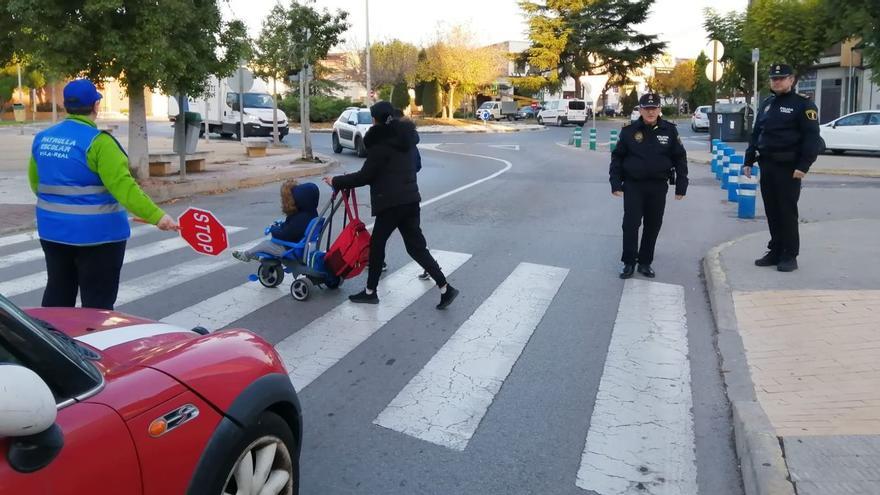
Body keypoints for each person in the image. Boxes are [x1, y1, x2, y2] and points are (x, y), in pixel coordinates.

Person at [28, 79, 179, 310]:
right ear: (96, 105)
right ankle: (91, 344)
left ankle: (48, 342)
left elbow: (36, 184)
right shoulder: (100, 143)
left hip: (52, 233)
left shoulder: (43, 139)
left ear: (66, 105)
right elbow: (125, 189)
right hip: (98, 237)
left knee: (58, 293)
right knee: (97, 304)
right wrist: (158, 217)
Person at [323, 101, 458, 309]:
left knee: (377, 246)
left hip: (391, 203)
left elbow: (365, 176)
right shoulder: (407, 141)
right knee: (416, 248)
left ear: (375, 119)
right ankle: (445, 288)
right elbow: (416, 166)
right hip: (411, 200)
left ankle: (370, 292)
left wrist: (336, 181)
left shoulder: (380, 145)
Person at [743, 63, 820, 272]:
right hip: (767, 165)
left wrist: (804, 166)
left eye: (781, 78)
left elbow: (812, 139)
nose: (777, 81)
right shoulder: (767, 103)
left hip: (789, 167)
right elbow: (757, 133)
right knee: (772, 211)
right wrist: (748, 160)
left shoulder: (803, 105)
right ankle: (775, 249)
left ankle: (789, 254)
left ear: (791, 80)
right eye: (774, 79)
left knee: (787, 211)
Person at [609, 93, 688, 279]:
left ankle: (645, 262)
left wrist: (682, 185)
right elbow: (617, 157)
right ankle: (629, 262)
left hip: (658, 186)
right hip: (633, 185)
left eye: (654, 108)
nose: (651, 112)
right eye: (647, 108)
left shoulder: (669, 130)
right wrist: (615, 182)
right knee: (631, 224)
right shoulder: (629, 131)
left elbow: (680, 158)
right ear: (640, 110)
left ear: (659, 109)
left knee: (653, 225)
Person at [232, 180, 319, 261]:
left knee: (265, 244)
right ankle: (257, 255)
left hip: (291, 249)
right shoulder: (311, 213)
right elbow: (291, 228)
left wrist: (273, 229)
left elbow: (286, 234)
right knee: (269, 243)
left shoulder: (300, 218)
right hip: (301, 246)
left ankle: (246, 255)